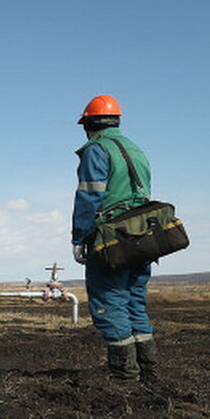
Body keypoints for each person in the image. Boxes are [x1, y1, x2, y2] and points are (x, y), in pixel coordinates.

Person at [72, 94, 159, 381]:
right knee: (134, 300)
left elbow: (89, 197)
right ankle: (148, 370)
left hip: (112, 239)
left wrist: (80, 237)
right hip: (143, 236)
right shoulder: (136, 150)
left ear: (88, 125)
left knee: (110, 301)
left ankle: (124, 375)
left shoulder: (96, 150)